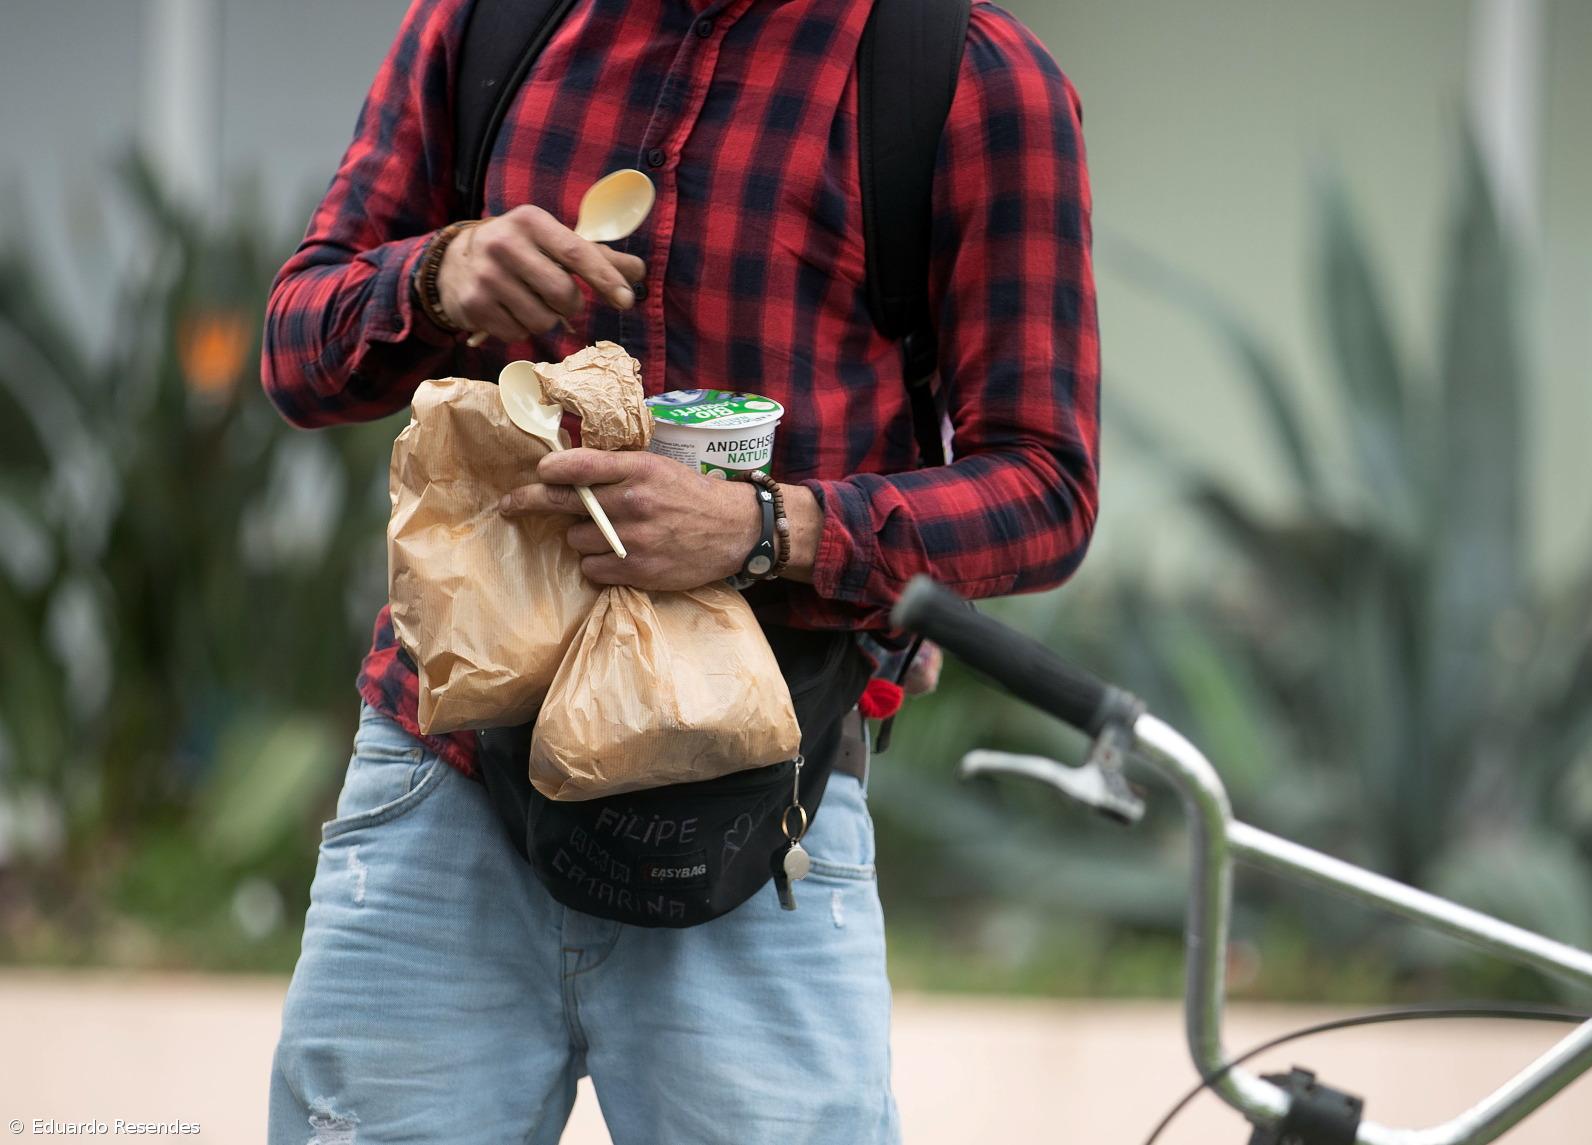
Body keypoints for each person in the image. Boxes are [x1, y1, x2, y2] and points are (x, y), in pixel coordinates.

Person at [256, 0, 1098, 1141]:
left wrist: (766, 528)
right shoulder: (486, 21)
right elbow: (296, 350)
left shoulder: (960, 76)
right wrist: (434, 275)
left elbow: (1046, 487)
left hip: (762, 807)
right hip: (443, 781)